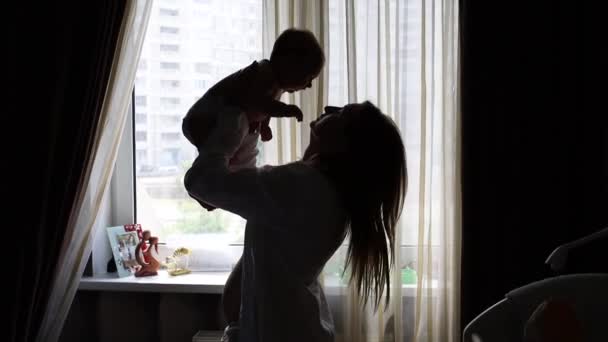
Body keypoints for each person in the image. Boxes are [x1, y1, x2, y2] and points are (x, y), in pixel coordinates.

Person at [184, 100, 407, 342]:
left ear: (345, 143)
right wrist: (249, 134)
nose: (329, 108)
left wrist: (233, 125)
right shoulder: (322, 192)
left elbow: (201, 180)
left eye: (343, 113)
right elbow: (240, 186)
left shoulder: (305, 187)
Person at [182, 28, 325, 212]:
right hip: (204, 120)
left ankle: (230, 186)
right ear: (289, 64)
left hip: (223, 126)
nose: (309, 85)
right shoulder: (263, 72)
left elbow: (265, 109)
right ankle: (204, 181)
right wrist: (286, 110)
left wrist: (264, 126)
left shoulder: (277, 85)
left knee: (249, 149)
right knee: (238, 123)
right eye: (308, 77)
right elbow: (260, 102)